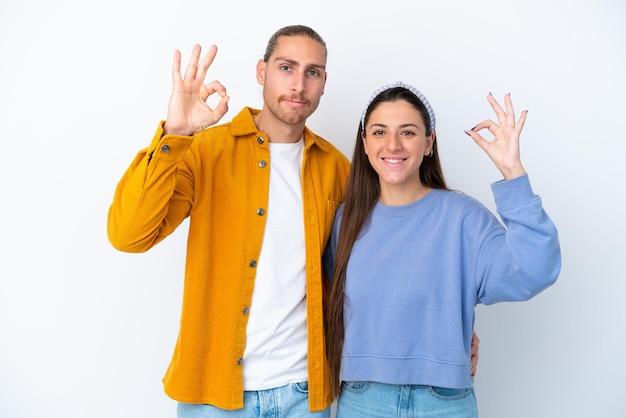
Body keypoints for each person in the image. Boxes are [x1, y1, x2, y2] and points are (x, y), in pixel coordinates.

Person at [107, 25, 351, 417]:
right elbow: (128, 235)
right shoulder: (205, 151)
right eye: (286, 67)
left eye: (313, 72)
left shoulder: (337, 168)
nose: (299, 84)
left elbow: (356, 276)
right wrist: (176, 134)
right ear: (261, 72)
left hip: (304, 394)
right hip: (214, 396)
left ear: (323, 83)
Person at [323, 82, 561, 417]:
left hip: (443, 402)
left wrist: (512, 172)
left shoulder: (463, 218)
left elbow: (535, 270)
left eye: (407, 132)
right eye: (379, 132)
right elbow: (332, 301)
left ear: (429, 142)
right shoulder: (345, 220)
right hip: (363, 398)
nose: (392, 144)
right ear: (364, 143)